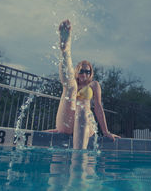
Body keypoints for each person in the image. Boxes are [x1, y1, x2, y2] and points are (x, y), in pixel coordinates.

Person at [48, 19, 120, 149]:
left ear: (91, 73)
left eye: (88, 71)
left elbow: (98, 107)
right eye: (82, 71)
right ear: (77, 71)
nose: (85, 74)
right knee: (70, 88)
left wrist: (105, 131)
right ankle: (65, 51)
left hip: (85, 123)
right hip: (67, 123)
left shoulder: (93, 85)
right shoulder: (73, 83)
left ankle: (78, 160)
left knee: (82, 109)